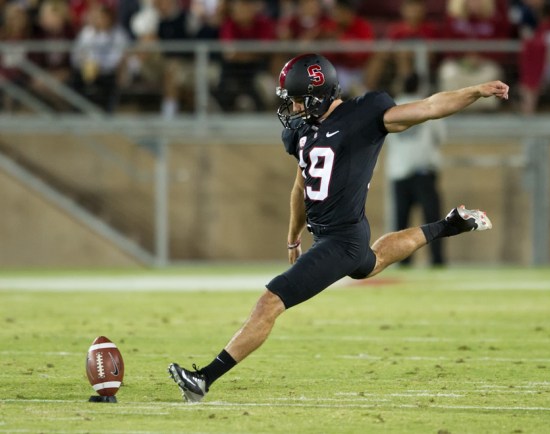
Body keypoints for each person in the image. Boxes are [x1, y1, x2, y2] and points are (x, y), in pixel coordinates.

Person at [168, 53, 508, 402]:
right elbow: (300, 187)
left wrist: (475, 91)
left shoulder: (364, 116)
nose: (294, 108)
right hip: (336, 236)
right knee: (372, 262)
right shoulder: (303, 132)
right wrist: (291, 238)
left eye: (299, 100)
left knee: (270, 302)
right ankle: (448, 225)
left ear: (320, 94)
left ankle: (203, 379)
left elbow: (430, 107)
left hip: (341, 239)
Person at [385, 75, 447, 267]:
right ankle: (437, 261)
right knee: (433, 222)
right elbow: (440, 137)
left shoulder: (391, 108)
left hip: (399, 172)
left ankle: (403, 263)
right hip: (423, 173)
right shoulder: (427, 106)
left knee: (401, 224)